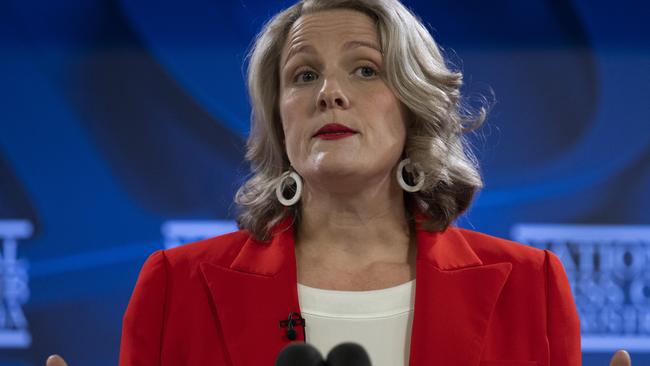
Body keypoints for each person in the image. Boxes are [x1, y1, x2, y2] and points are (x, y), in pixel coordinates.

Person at [46, 0, 632, 365]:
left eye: (365, 69)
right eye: (303, 75)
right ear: (281, 118)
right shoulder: (177, 288)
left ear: (413, 106)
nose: (329, 92)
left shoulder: (531, 287)